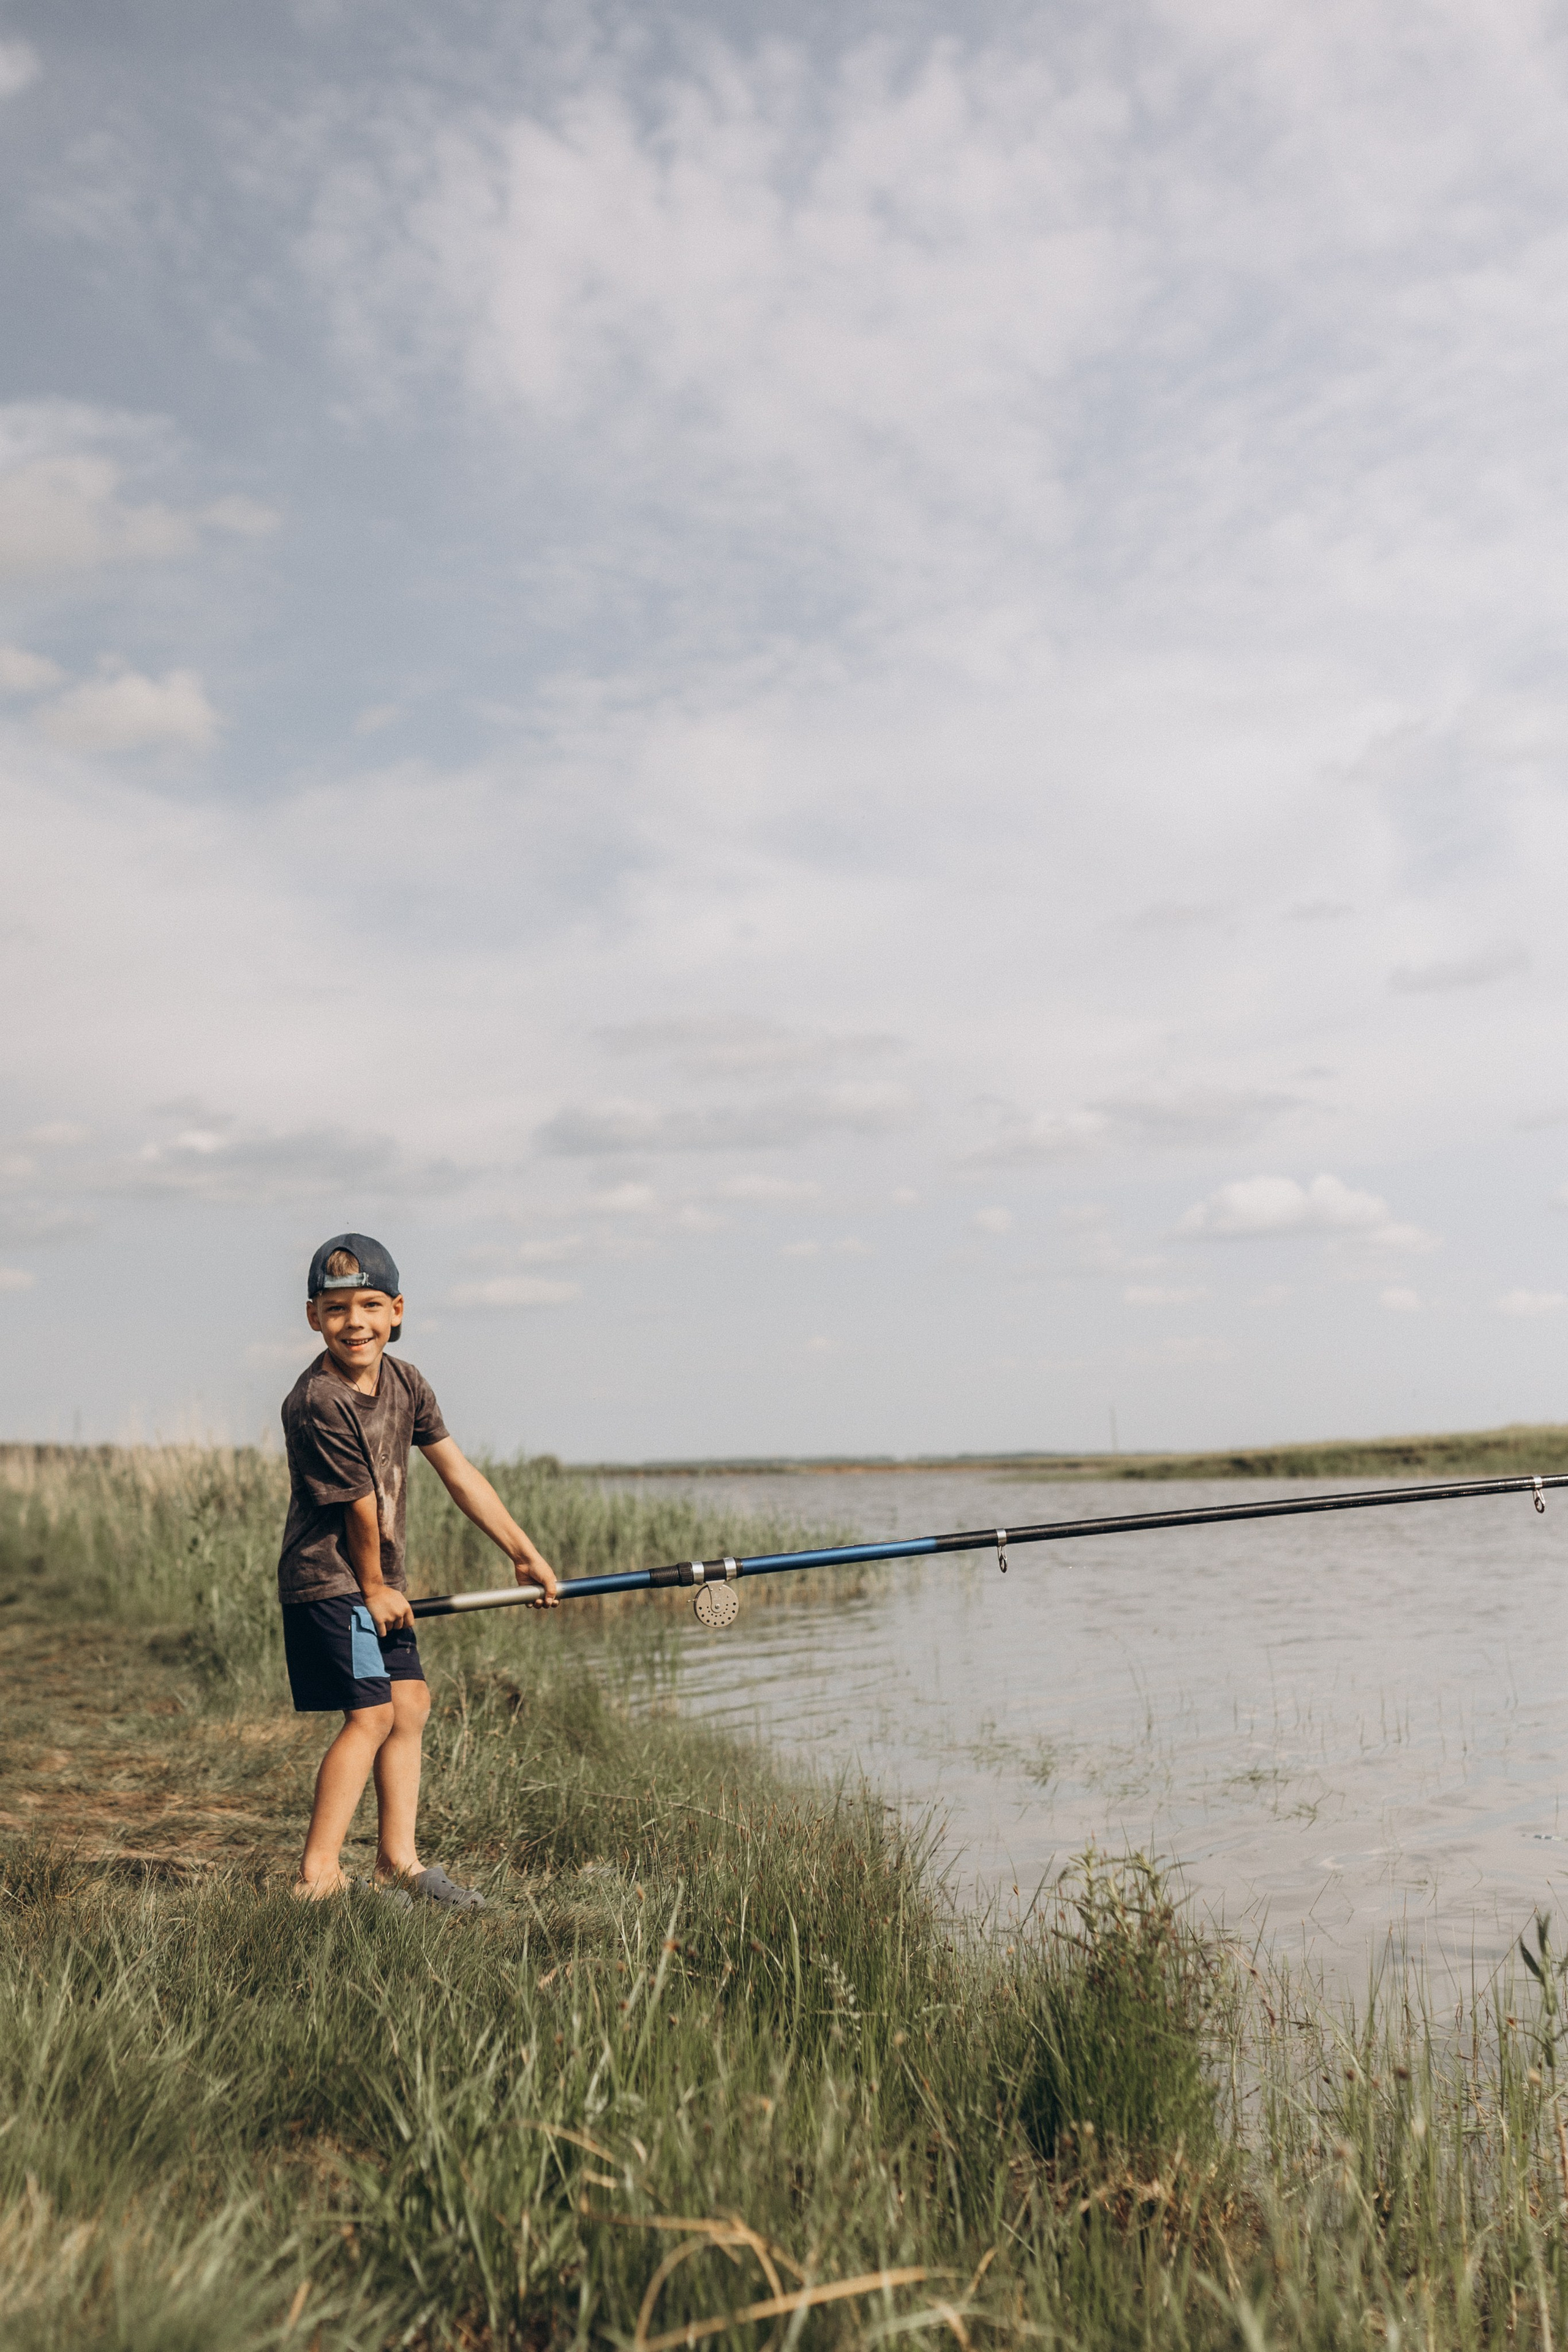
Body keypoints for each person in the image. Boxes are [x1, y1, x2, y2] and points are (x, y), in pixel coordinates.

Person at [277, 1231, 559, 1907]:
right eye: (337, 1309)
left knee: (410, 1705)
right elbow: (360, 1505)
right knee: (371, 1714)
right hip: (332, 1581)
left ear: (397, 1310)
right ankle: (317, 1878)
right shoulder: (318, 1400)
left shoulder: (406, 1383)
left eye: (370, 1306)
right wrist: (374, 1587)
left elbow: (458, 1472)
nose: (355, 1323)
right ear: (314, 1316)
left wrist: (521, 1550)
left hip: (378, 1584)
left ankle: (397, 1863)